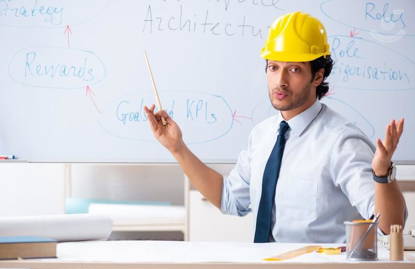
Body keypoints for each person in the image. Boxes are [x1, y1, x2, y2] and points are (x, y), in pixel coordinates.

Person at [144, 11, 407, 243]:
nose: (279, 81)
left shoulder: (341, 141)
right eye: (273, 67)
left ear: (318, 76)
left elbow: (388, 226)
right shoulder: (262, 135)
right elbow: (230, 200)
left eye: (293, 69)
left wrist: (382, 174)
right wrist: (177, 148)